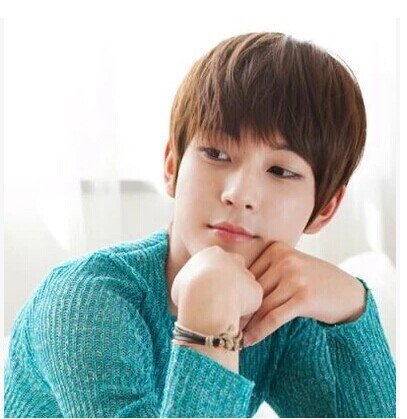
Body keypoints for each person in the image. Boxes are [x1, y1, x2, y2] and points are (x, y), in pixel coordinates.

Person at [4, 32, 396, 418]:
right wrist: (208, 324)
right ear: (172, 166)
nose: (239, 193)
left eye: (280, 170)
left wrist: (352, 304)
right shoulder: (85, 298)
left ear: (325, 208)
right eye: (216, 153)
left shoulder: (280, 310)